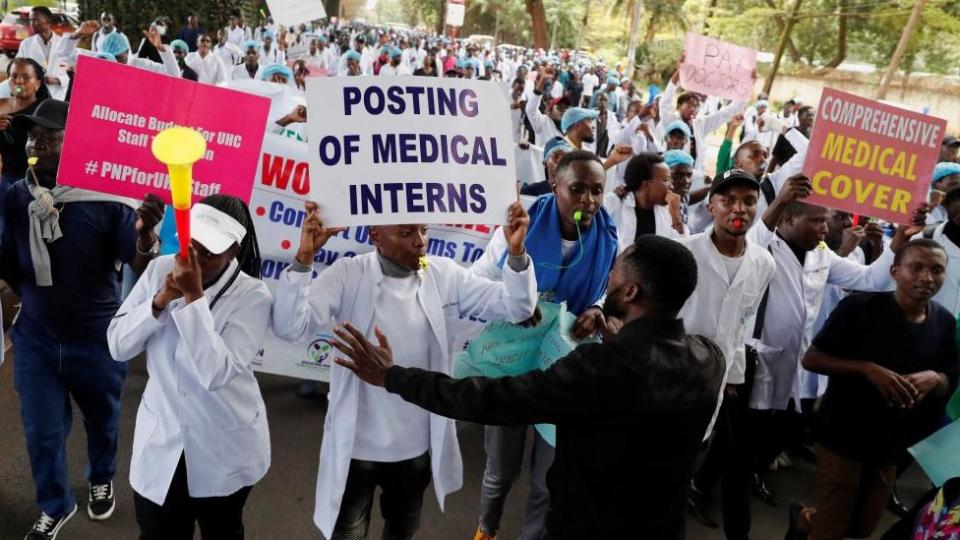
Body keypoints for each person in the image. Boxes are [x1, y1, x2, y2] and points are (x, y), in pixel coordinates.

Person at [332, 234, 726, 540]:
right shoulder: (708, 359)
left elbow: (489, 400)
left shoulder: (601, 370)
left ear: (630, 292)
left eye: (616, 272)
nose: (609, 277)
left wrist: (392, 376)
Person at [271, 201, 538, 539]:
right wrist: (303, 259)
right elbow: (290, 328)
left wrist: (516, 254)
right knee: (349, 532)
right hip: (358, 448)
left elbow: (517, 307)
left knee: (402, 529)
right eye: (406, 232)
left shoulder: (442, 274)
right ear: (375, 235)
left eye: (423, 230)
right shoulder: (348, 274)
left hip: (415, 448)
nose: (420, 241)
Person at [2, 99, 164, 540]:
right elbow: (8, 263)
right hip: (36, 338)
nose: (35, 143)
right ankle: (55, 505)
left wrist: (147, 235)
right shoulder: (18, 196)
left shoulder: (110, 201)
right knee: (41, 431)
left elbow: (136, 260)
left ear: (72, 143)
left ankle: (100, 476)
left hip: (97, 338)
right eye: (32, 135)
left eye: (47, 136)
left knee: (102, 419)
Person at [744, 175, 919, 510]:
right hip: (757, 358)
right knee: (745, 431)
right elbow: (753, 240)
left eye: (826, 221)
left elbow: (868, 279)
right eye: (816, 221)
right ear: (788, 219)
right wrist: (780, 199)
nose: (825, 229)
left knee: (785, 428)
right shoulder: (763, 246)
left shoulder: (821, 254)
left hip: (797, 361)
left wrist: (896, 243)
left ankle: (754, 470)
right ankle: (712, 481)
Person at [469, 151, 619, 540]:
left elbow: (608, 290)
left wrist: (597, 308)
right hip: (515, 363)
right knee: (501, 469)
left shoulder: (608, 234)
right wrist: (516, 300)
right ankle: (487, 528)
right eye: (577, 189)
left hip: (564, 365)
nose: (588, 200)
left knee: (548, 478)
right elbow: (478, 280)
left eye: (596, 191)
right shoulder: (522, 224)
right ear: (554, 186)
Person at [108, 195, 271, 539]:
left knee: (223, 530)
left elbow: (215, 373)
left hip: (224, 445)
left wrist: (194, 298)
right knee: (159, 532)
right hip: (164, 440)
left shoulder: (253, 296)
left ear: (233, 253)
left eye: (209, 254)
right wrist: (159, 301)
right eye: (190, 245)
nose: (193, 259)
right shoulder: (158, 269)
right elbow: (118, 346)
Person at [785, 239, 958, 540]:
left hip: (891, 442)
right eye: (916, 268)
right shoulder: (859, 308)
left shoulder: (943, 322)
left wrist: (935, 377)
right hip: (844, 432)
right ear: (894, 271)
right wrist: (867, 369)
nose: (927, 278)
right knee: (833, 525)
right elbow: (812, 358)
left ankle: (803, 520)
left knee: (862, 527)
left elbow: (949, 377)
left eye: (936, 270)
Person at [682, 169, 776, 538]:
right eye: (728, 200)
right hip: (672, 378)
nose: (739, 208)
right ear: (711, 205)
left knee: (697, 453)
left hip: (717, 384)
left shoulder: (763, 264)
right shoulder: (685, 252)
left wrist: (734, 377)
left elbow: (742, 324)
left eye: (749, 201)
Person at [661, 57, 748, 172]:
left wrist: (746, 86)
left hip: (693, 174)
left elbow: (725, 113)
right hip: (670, 172)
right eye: (689, 105)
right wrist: (678, 72)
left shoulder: (700, 124)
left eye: (696, 106)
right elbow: (664, 103)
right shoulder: (671, 121)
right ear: (679, 106)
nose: (693, 109)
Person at [605, 152, 686, 250]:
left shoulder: (667, 211)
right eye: (666, 181)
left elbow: (683, 247)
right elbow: (581, 217)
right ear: (645, 184)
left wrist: (676, 216)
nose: (671, 187)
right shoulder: (615, 202)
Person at [0, 59, 50, 191]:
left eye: (26, 77)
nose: (19, 81)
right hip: (8, 176)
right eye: (14, 76)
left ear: (38, 84)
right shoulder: (1, 105)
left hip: (37, 181)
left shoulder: (45, 110)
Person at [60, 22, 180, 77]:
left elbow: (174, 75)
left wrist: (160, 48)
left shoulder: (140, 65)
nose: (115, 63)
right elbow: (64, 54)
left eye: (119, 57)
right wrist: (77, 34)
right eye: (111, 58)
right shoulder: (99, 61)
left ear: (127, 52)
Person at [16, 7, 70, 100]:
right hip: (33, 96)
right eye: (30, 20)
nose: (31, 24)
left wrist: (57, 80)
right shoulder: (26, 44)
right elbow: (17, 70)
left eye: (35, 20)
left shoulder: (64, 44)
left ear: (48, 21)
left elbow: (73, 74)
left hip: (57, 95)